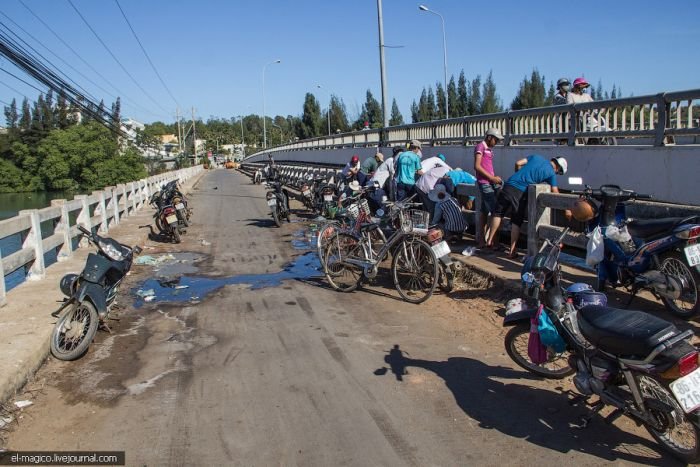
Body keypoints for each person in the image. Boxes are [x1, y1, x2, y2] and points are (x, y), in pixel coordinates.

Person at [485, 155, 568, 259]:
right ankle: (512, 251)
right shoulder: (551, 174)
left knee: (498, 213)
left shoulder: (536, 157)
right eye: (559, 172)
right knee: (516, 221)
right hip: (520, 192)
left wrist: (518, 174)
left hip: (508, 185)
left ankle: (489, 240)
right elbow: (555, 191)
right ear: (558, 168)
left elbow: (518, 163)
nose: (557, 173)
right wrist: (566, 208)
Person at [474, 128, 503, 248]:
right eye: (496, 140)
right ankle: (493, 242)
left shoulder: (488, 149)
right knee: (495, 211)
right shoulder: (481, 147)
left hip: (490, 182)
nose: (496, 142)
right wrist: (491, 178)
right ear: (490, 137)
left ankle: (482, 240)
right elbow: (477, 166)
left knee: (485, 211)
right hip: (485, 182)